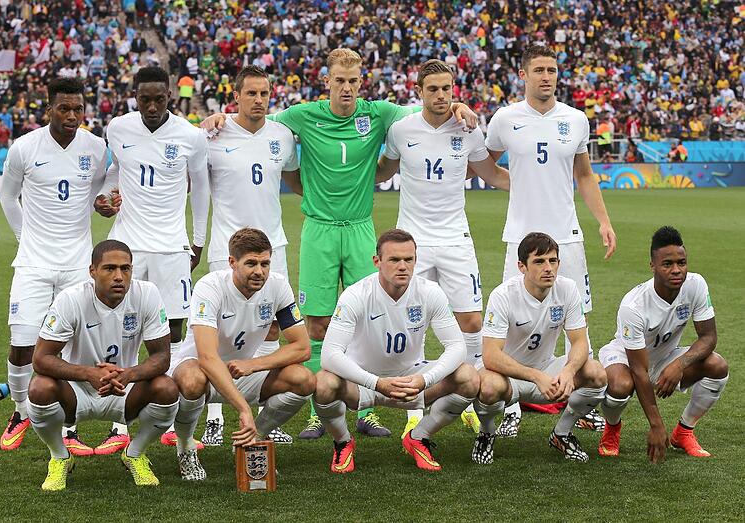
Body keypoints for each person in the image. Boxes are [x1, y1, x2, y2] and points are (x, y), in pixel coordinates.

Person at [206, 48, 478, 439]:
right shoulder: (302, 115)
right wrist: (221, 116)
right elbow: (255, 121)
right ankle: (320, 409)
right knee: (317, 323)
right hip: (319, 229)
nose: (347, 88)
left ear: (361, 83)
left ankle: (367, 409)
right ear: (327, 82)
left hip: (360, 229)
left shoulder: (380, 113)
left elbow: (427, 110)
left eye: (353, 81)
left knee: (369, 320)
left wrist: (457, 105)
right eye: (340, 81)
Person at [485, 44, 616, 437]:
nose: (546, 77)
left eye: (552, 70)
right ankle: (511, 406)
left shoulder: (575, 119)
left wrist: (604, 221)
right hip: (521, 238)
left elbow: (584, 175)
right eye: (539, 70)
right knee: (511, 322)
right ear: (523, 75)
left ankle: (579, 405)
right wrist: (517, 184)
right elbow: (484, 164)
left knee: (579, 319)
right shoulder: (505, 118)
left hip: (567, 236)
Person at [376, 59, 510, 434]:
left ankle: (468, 397)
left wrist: (537, 183)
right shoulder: (401, 129)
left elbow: (492, 174)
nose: (441, 95)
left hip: (455, 238)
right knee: (411, 321)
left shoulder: (468, 129)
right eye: (432, 88)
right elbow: (383, 171)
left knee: (471, 321)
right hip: (411, 242)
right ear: (418, 91)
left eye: (447, 89)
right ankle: (413, 410)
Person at [94, 66, 210, 453]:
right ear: (135, 97)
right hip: (126, 245)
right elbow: (116, 170)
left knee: (173, 332)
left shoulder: (190, 136)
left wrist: (197, 241)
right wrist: (105, 196)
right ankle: (118, 423)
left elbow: (201, 190)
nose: (152, 106)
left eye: (159, 99)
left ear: (170, 97)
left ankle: (171, 418)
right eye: (145, 99)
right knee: (120, 332)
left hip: (171, 247)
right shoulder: (118, 128)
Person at [0, 77, 109, 456]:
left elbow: (99, 189)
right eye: (64, 108)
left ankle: (70, 426)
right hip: (33, 263)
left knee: (74, 352)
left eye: (78, 109)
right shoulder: (24, 147)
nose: (72, 116)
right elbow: (8, 196)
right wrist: (24, 238)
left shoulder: (95, 148)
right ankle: (19, 411)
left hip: (78, 264)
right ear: (49, 109)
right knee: (22, 345)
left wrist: (103, 202)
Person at [314, 229, 479, 473]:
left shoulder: (430, 291)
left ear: (416, 260)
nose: (402, 266)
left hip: (412, 381)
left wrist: (425, 380)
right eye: (394, 260)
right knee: (323, 383)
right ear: (377, 261)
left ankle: (419, 437)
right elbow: (330, 355)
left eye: (408, 259)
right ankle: (343, 442)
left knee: (469, 377)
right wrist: (376, 383)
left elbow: (457, 346)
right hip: (363, 382)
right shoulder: (356, 295)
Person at [197, 65, 301, 446]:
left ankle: (263, 414)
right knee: (222, 333)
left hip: (273, 245)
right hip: (227, 249)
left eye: (264, 93)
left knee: (271, 328)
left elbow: (294, 178)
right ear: (235, 96)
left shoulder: (282, 136)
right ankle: (214, 417)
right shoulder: (212, 134)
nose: (259, 100)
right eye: (251, 93)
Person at [27, 240, 179, 490]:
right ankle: (59, 456)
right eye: (109, 268)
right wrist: (88, 373)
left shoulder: (147, 294)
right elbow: (41, 359)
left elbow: (162, 357)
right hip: (77, 391)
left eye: (125, 269)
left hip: (123, 390)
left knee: (167, 388)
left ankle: (135, 453)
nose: (119, 276)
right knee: (39, 387)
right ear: (92, 271)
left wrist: (128, 375)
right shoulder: (71, 299)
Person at [167, 228, 314, 481]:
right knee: (192, 379)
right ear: (232, 262)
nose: (259, 271)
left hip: (240, 371)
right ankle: (186, 446)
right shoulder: (210, 286)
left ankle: (253, 440)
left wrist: (254, 364)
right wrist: (244, 409)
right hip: (201, 372)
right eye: (251, 263)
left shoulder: (278, 285)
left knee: (304, 380)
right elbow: (207, 358)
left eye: (265, 263)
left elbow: (302, 347)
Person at [472, 232, 608, 464]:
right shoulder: (503, 295)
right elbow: (491, 356)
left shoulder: (567, 289)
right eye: (539, 261)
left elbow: (579, 341)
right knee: (488, 386)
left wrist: (568, 371)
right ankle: (486, 433)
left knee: (596, 372)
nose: (548, 268)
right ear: (521, 266)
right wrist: (536, 377)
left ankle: (562, 434)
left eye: (553, 261)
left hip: (546, 368)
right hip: (508, 376)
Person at [597, 226, 728, 462]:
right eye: (667, 264)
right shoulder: (633, 306)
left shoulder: (696, 284)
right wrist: (656, 425)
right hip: (627, 358)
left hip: (665, 357)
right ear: (653, 266)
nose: (676, 270)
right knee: (620, 385)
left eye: (681, 262)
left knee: (717, 366)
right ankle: (612, 427)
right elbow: (639, 370)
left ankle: (684, 431)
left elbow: (709, 337)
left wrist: (679, 364)